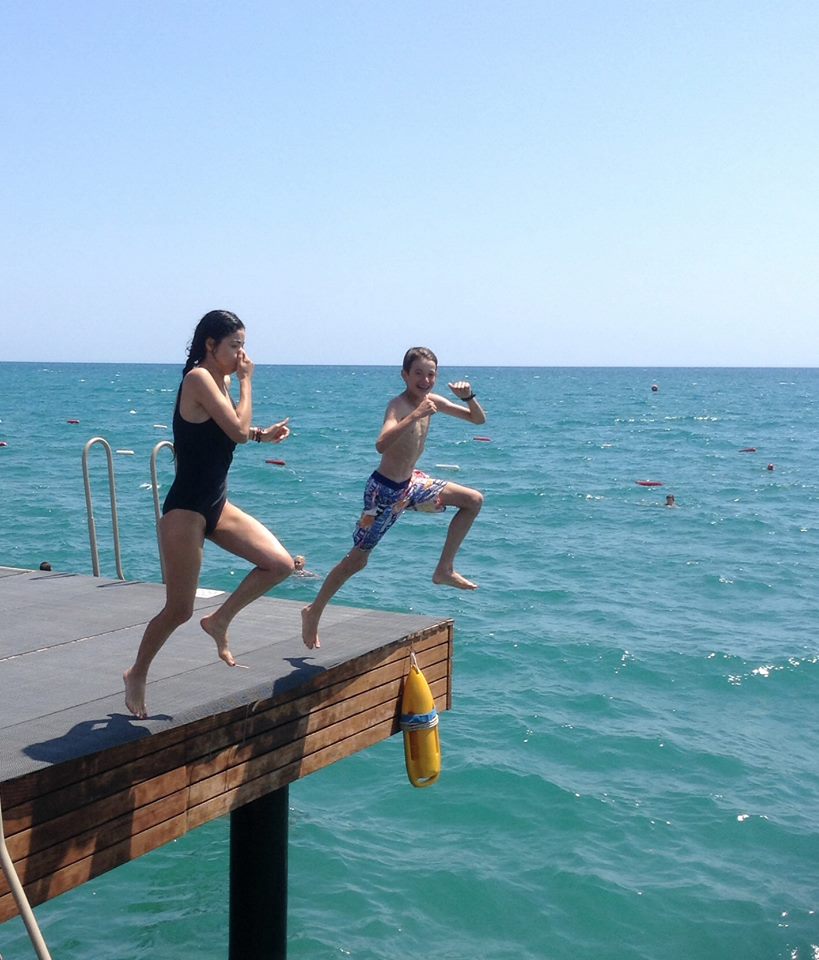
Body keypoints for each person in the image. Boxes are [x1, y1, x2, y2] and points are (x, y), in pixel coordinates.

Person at [124, 310, 294, 719]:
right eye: (234, 346)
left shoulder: (220, 381)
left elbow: (231, 430)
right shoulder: (199, 378)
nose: (242, 355)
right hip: (186, 509)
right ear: (210, 345)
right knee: (179, 609)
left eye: (243, 346)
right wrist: (248, 383)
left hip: (216, 504)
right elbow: (235, 430)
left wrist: (261, 434)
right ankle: (137, 672)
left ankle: (219, 620)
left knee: (280, 565)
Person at [301, 346, 486, 649]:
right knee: (357, 561)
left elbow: (477, 420)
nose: (425, 380)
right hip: (384, 492)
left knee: (473, 500)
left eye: (431, 374)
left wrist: (468, 397)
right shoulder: (398, 406)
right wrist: (415, 415)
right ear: (405, 375)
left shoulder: (434, 401)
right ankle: (314, 611)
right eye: (418, 373)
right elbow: (381, 443)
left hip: (411, 484)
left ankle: (444, 569)